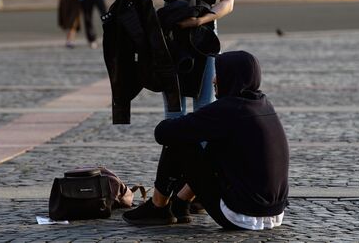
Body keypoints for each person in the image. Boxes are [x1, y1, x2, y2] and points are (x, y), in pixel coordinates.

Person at [122, 50, 289, 229]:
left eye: (220, 74)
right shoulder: (262, 103)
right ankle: (180, 203)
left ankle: (158, 207)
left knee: (178, 141)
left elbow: (163, 133)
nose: (214, 80)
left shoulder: (228, 109)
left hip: (241, 214)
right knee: (216, 143)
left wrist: (192, 124)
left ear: (231, 77)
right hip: (273, 212)